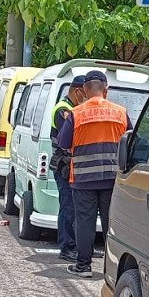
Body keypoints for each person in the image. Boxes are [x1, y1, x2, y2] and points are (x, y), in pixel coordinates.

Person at [56, 70, 132, 278]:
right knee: (111, 223)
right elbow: (131, 142)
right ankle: (112, 270)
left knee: (85, 222)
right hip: (112, 179)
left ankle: (83, 266)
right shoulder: (120, 112)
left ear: (86, 90)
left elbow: (63, 143)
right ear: (106, 90)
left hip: (83, 179)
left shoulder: (76, 113)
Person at [49, 74, 87, 261]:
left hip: (73, 167)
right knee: (68, 207)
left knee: (77, 209)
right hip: (64, 166)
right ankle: (66, 247)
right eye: (86, 94)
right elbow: (70, 138)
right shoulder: (63, 110)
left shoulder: (72, 108)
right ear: (78, 92)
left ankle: (77, 246)